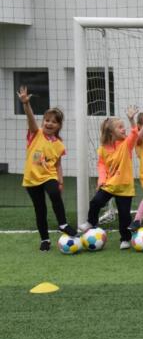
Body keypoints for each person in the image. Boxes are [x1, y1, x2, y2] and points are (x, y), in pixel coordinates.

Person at [17, 86, 77, 251]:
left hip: (48, 176)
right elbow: (30, 119)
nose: (49, 123)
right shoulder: (35, 133)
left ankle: (63, 224)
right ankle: (45, 240)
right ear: (43, 121)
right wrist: (26, 104)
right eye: (47, 120)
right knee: (40, 209)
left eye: (54, 122)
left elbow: (57, 164)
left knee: (54, 193)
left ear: (59, 125)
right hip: (31, 178)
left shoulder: (59, 145)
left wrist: (61, 181)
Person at [79, 106, 140, 250]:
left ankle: (125, 239)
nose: (124, 129)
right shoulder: (102, 149)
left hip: (124, 187)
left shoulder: (126, 144)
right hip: (110, 185)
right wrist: (101, 180)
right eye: (120, 127)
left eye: (123, 126)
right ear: (111, 133)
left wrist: (131, 120)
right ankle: (91, 222)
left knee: (124, 215)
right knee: (95, 202)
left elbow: (134, 134)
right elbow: (101, 166)